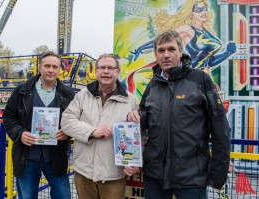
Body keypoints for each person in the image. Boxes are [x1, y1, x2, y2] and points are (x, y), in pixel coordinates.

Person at [127, 30, 231, 199]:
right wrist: (135, 115)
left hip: (191, 179)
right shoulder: (152, 85)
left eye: (171, 49)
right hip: (155, 177)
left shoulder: (200, 80)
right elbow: (144, 123)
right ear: (156, 55)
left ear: (180, 52)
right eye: (161, 51)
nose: (166, 55)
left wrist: (218, 175)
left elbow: (221, 130)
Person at [61, 53, 140, 199]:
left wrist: (135, 162)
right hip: (84, 173)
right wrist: (92, 131)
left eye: (111, 68)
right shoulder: (82, 95)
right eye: (102, 67)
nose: (106, 71)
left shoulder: (131, 100)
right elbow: (66, 121)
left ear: (118, 71)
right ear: (96, 71)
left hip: (113, 175)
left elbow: (139, 134)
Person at [2, 51, 75, 199]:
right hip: (26, 157)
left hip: (55, 157)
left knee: (63, 196)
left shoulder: (68, 94)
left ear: (59, 69)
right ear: (39, 68)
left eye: (55, 66)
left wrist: (67, 132)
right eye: (47, 66)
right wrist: (20, 133)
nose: (51, 70)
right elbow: (8, 118)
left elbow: (76, 121)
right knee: (27, 197)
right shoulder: (21, 91)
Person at [131, 0, 236, 69]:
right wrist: (141, 48)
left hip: (204, 76)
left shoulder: (210, 33)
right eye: (198, 10)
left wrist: (227, 53)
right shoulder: (187, 28)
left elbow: (210, 62)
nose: (203, 12)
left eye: (204, 9)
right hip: (190, 74)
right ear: (190, 13)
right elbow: (162, 39)